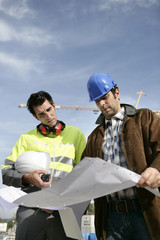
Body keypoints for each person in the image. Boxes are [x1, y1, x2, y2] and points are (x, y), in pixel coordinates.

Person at [82, 73, 160, 240]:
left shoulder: (144, 118)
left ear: (116, 93)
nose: (102, 104)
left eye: (105, 97)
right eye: (97, 101)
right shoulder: (94, 137)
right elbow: (83, 171)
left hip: (144, 210)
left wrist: (156, 168)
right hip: (111, 217)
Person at [1, 91, 86, 240]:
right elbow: (5, 172)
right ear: (35, 117)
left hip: (65, 212)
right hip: (31, 209)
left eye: (49, 109)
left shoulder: (76, 135)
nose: (48, 116)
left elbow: (85, 172)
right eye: (41, 114)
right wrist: (27, 177)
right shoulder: (26, 139)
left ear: (54, 105)